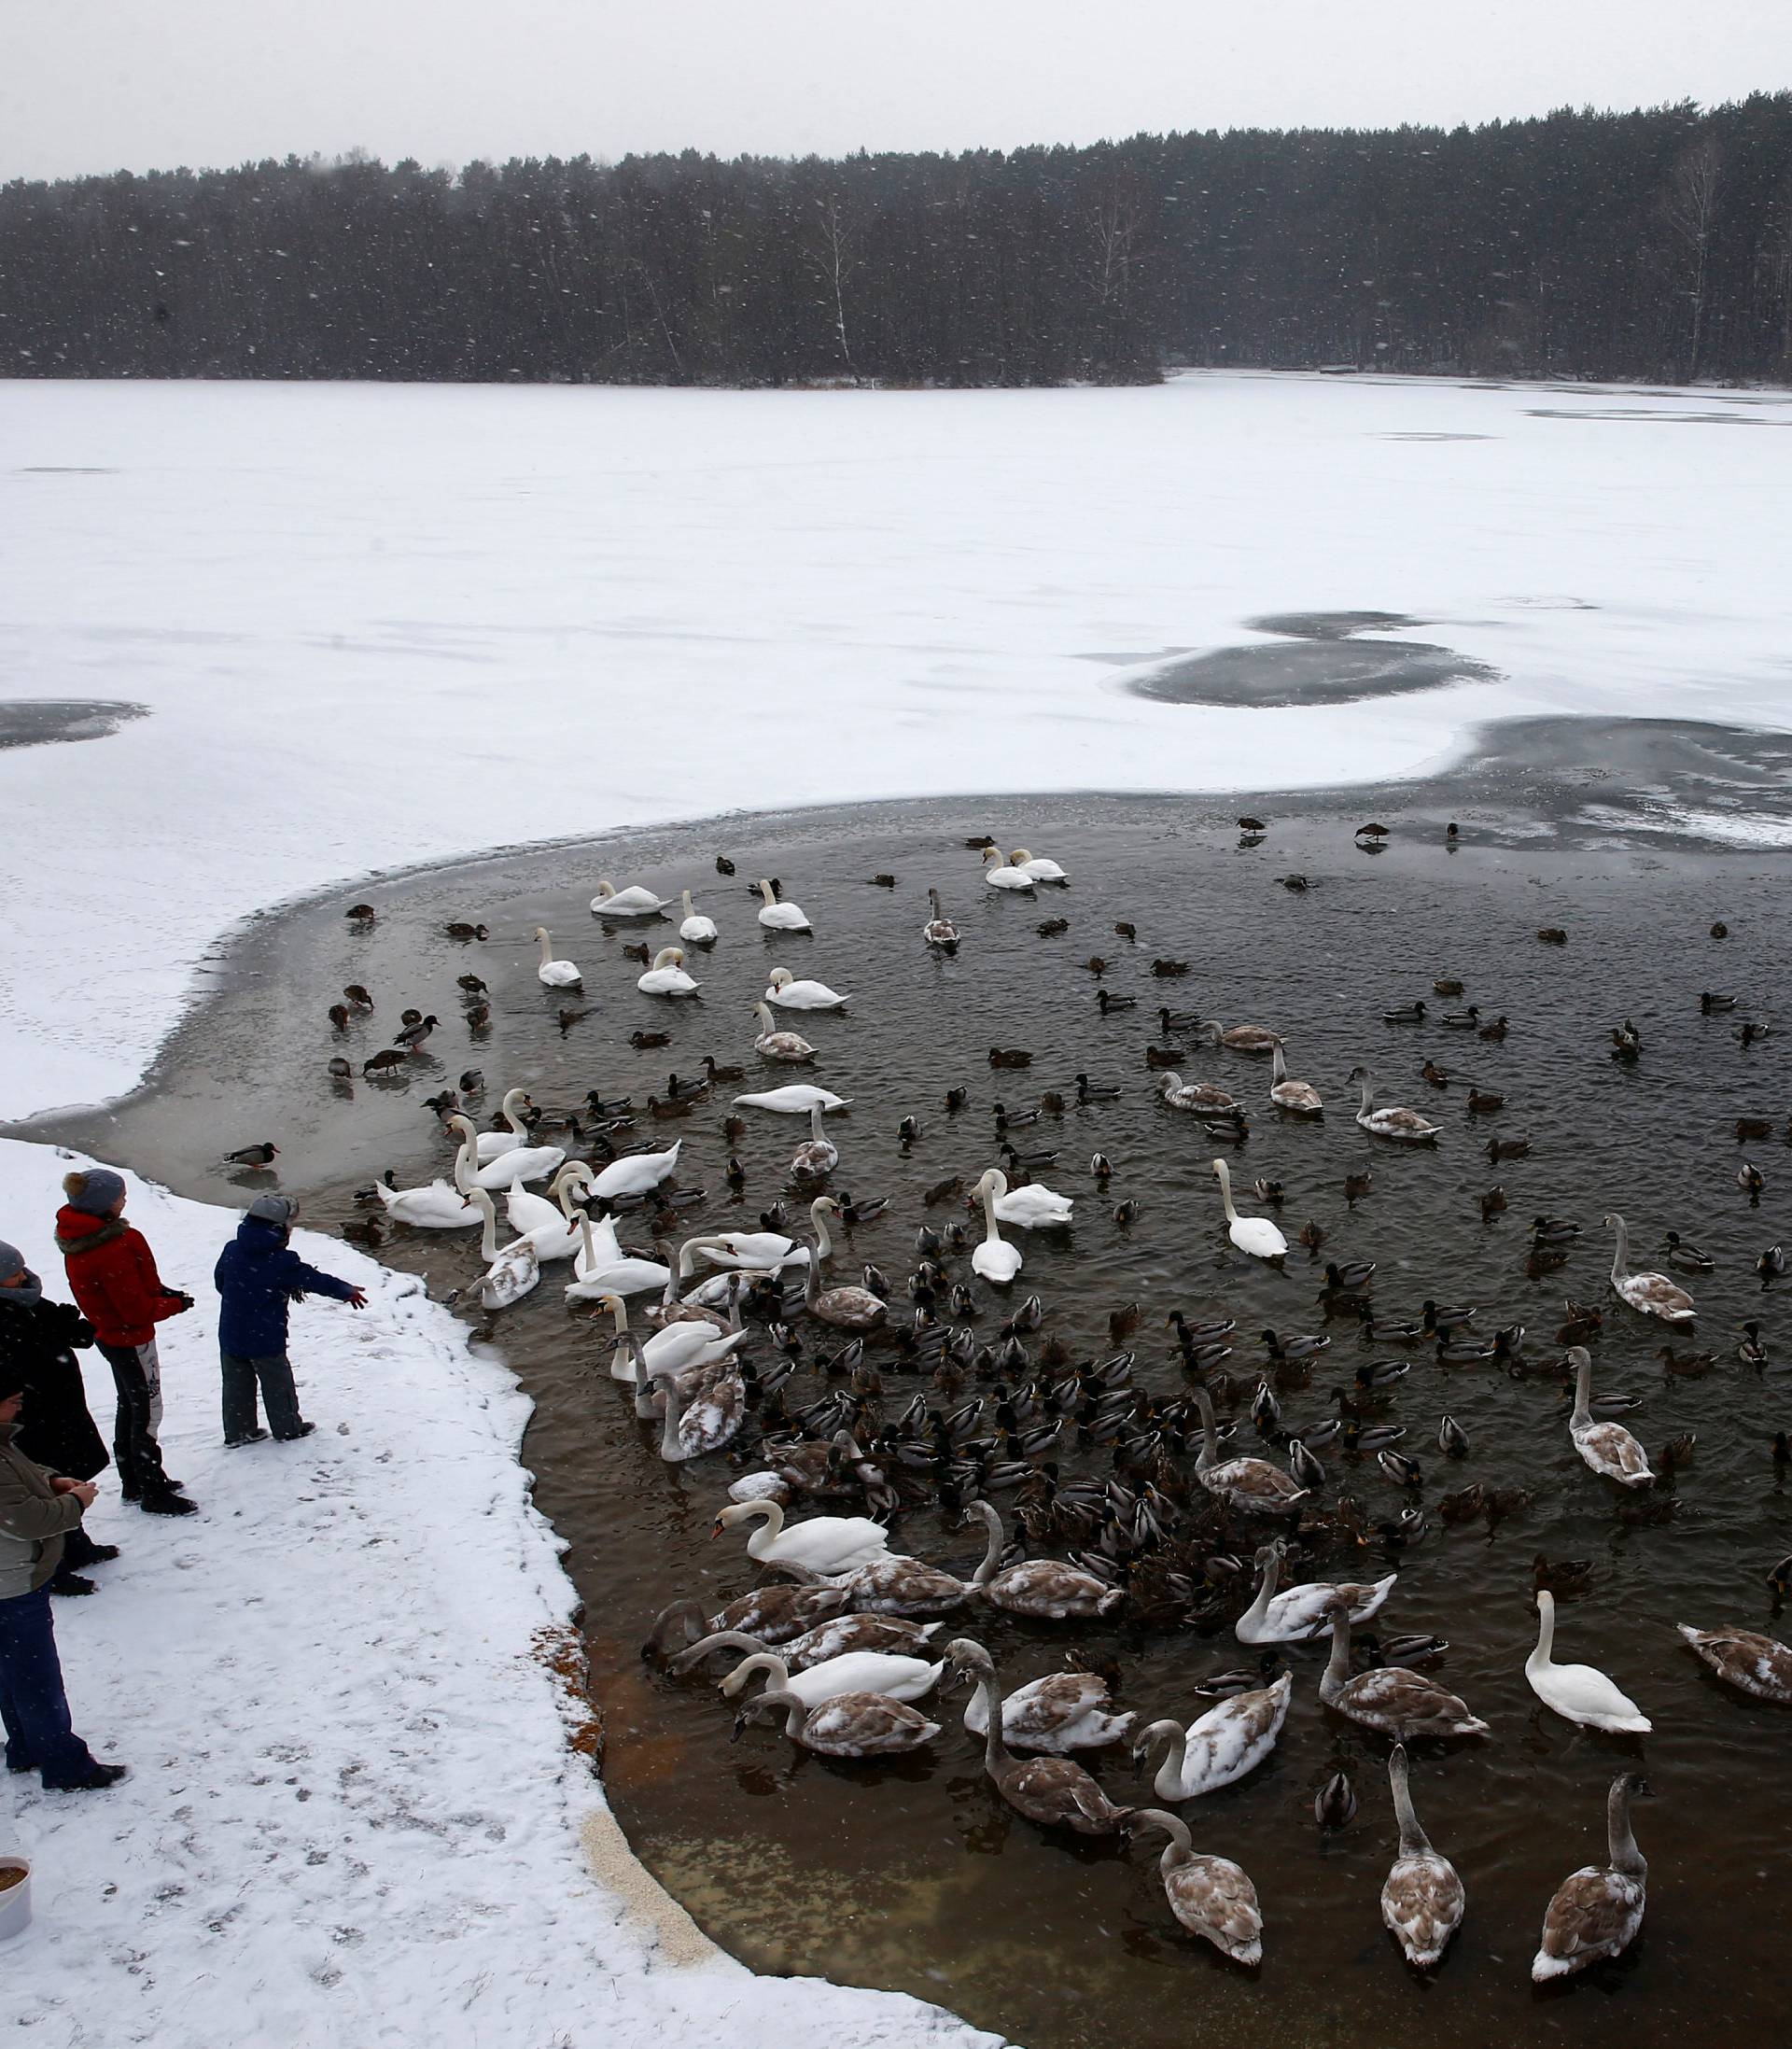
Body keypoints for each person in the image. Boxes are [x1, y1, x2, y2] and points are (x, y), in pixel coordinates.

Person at [0, 1360, 126, 1789]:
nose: (18, 1408)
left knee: (11, 1671)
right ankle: (64, 1764)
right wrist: (77, 1504)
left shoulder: (2, 1444)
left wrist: (52, 1480)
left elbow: (21, 1476)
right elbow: (25, 1519)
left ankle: (24, 1747)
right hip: (13, 1582)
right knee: (36, 1678)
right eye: (12, 1402)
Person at [55, 1167, 196, 1517]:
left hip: (111, 1336)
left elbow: (128, 1291)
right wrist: (173, 1305)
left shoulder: (85, 1238)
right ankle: (152, 1489)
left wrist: (160, 1293)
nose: (125, 1200)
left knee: (130, 1407)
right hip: (130, 1339)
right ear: (103, 1204)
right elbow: (134, 1309)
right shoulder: (108, 1247)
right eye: (120, 1196)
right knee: (146, 1413)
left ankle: (134, 1481)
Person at [0, 1240, 119, 1596]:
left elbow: (65, 1333)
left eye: (21, 1269)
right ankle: (54, 1566)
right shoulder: (9, 1316)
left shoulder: (27, 1301)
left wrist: (70, 1328)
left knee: (65, 1474)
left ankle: (76, 1544)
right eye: (12, 1274)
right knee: (41, 1487)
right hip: (29, 1414)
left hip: (59, 1407)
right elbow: (21, 1358)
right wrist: (51, 1336)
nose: (21, 1277)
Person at [213, 1195, 367, 1446]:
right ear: (279, 1229)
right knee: (277, 1384)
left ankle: (239, 1431)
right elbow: (314, 1280)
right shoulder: (281, 1261)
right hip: (265, 1337)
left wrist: (245, 1298)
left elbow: (220, 1283)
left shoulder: (232, 1249)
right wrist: (345, 1290)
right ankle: (288, 1428)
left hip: (232, 1331)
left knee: (236, 1385)